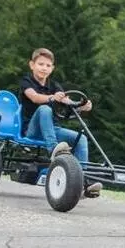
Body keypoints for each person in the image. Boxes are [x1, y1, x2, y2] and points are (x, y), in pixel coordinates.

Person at [20, 48, 102, 197]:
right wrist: (52, 98)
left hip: (52, 129)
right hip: (32, 130)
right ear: (32, 65)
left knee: (81, 138)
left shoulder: (55, 85)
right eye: (41, 64)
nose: (44, 68)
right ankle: (53, 150)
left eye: (48, 65)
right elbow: (35, 98)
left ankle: (82, 182)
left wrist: (81, 105)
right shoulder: (27, 81)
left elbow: (66, 100)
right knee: (44, 109)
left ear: (52, 68)